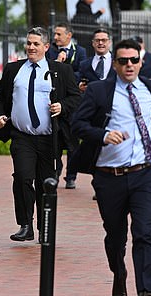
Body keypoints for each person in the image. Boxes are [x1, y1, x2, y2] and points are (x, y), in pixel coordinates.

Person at [71, 39, 151, 296]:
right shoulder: (98, 91)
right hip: (110, 177)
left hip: (146, 174)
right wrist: (103, 134)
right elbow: (77, 124)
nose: (128, 65)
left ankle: (145, 294)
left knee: (144, 233)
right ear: (115, 64)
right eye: (123, 61)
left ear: (141, 62)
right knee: (116, 237)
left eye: (133, 60)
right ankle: (119, 273)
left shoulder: (150, 88)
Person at [0, 27, 80, 242]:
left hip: (50, 139)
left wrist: (61, 106)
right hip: (22, 136)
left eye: (36, 44)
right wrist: (0, 115)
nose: (31, 47)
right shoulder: (14, 70)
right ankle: (25, 225)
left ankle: (45, 228)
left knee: (45, 183)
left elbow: (76, 98)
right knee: (22, 177)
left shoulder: (60, 71)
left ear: (46, 47)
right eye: (29, 43)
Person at [47, 22, 87, 189]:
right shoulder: (50, 51)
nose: (55, 37)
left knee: (72, 141)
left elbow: (82, 70)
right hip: (54, 101)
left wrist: (68, 73)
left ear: (68, 36)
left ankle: (71, 176)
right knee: (54, 140)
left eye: (59, 34)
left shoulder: (81, 51)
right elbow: (46, 69)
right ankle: (55, 172)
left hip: (72, 102)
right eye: (55, 34)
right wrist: (57, 62)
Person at [78, 28, 116, 93]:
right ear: (93, 43)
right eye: (97, 40)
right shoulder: (84, 64)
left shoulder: (118, 61)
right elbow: (79, 81)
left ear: (110, 42)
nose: (100, 43)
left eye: (104, 40)